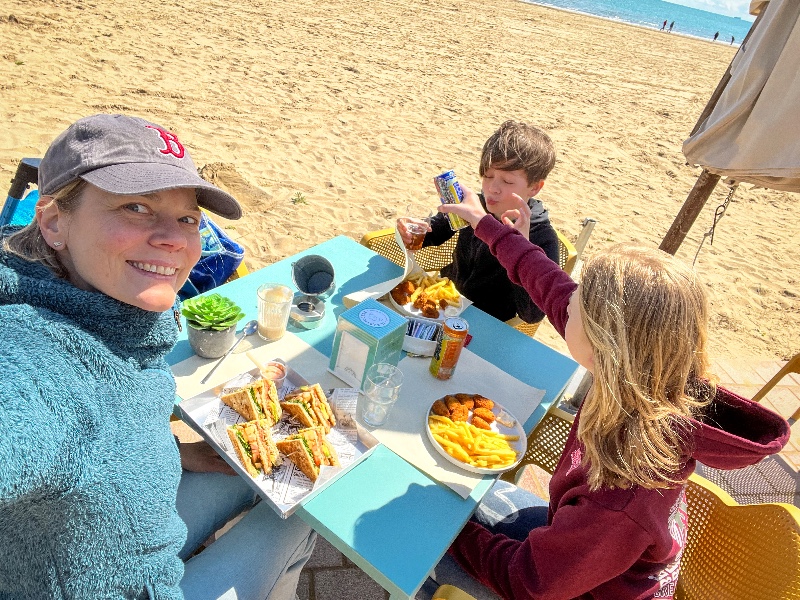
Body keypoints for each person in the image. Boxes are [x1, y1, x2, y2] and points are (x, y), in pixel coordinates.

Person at [416, 187, 790, 599]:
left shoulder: (623, 492)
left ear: (601, 343)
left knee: (419, 544)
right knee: (459, 501)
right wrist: (488, 227)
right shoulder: (645, 378)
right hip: (581, 550)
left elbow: (530, 582)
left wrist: (443, 529)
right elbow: (550, 286)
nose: (566, 299)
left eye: (578, 303)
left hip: (577, 587)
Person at [0, 113, 316, 599]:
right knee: (302, 517)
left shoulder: (115, 313)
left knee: (259, 474)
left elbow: (111, 426)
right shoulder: (35, 353)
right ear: (53, 221)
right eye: (135, 206)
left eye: (188, 218)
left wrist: (181, 452)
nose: (174, 239)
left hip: (122, 536)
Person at [397, 120, 560, 324]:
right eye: (487, 175)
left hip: (485, 322)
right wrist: (413, 232)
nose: (492, 188)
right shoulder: (477, 205)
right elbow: (435, 231)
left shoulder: (542, 238)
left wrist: (520, 251)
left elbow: (532, 314)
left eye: (507, 181)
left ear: (534, 188)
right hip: (444, 301)